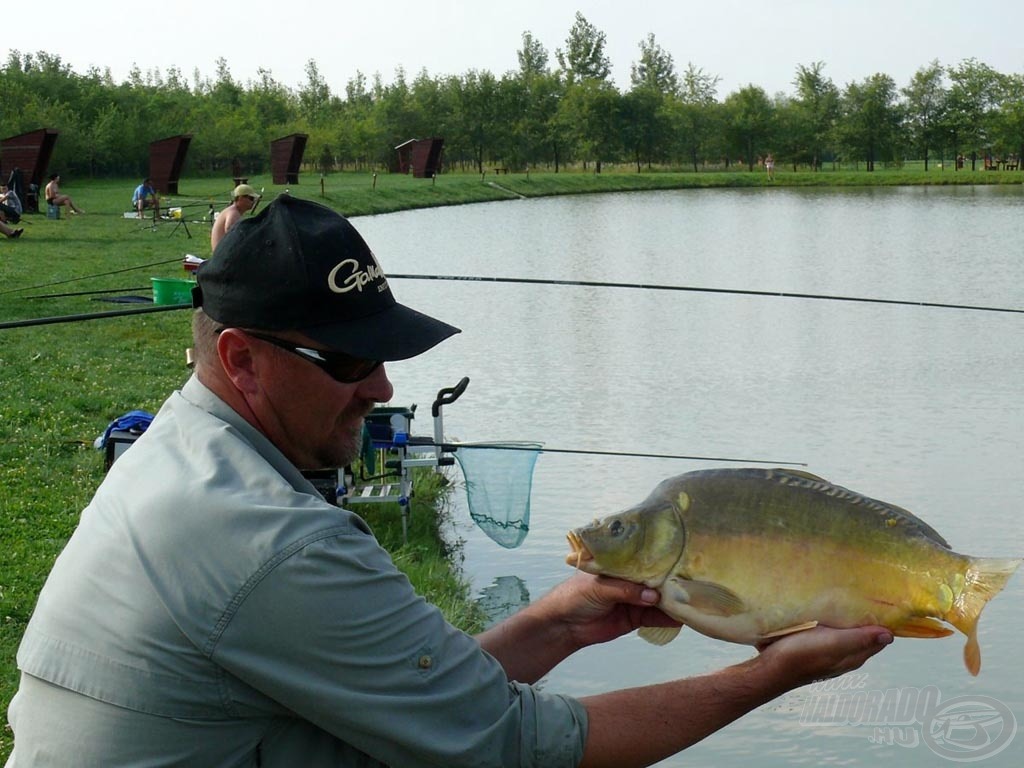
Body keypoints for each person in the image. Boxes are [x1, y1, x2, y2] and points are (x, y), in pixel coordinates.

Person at [5, 196, 892, 767]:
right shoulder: (269, 544)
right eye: (351, 357)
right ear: (242, 360)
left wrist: (557, 622)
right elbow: (515, 748)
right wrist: (773, 676)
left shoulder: (183, 448)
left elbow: (428, 701)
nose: (383, 388)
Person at [211, 182, 259, 250]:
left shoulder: (233, 211)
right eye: (251, 198)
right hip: (224, 255)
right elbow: (230, 231)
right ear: (240, 198)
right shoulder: (233, 213)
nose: (253, 201)